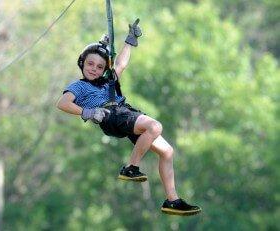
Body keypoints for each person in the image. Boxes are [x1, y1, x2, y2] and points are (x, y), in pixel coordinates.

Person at [56, 19, 201, 216]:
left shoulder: (108, 81)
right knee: (155, 126)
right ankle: (130, 167)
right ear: (82, 63)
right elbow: (63, 103)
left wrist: (130, 40)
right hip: (111, 115)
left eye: (99, 67)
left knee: (167, 151)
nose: (94, 69)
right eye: (90, 64)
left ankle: (172, 200)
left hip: (123, 112)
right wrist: (87, 112)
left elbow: (121, 63)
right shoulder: (79, 86)